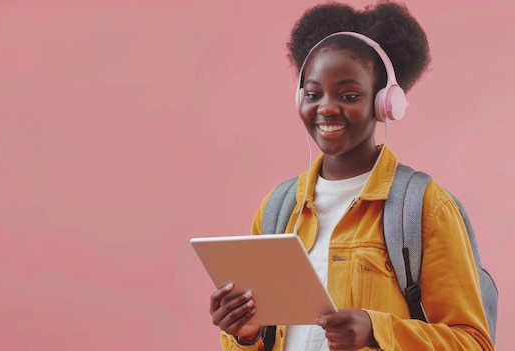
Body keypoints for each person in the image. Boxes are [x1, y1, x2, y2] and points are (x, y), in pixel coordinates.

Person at [208, 1, 494, 350]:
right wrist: (245, 333)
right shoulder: (279, 208)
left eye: (348, 95)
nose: (326, 107)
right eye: (314, 94)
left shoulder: (424, 208)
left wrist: (377, 331)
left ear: (385, 102)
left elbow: (474, 342)